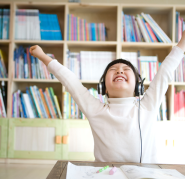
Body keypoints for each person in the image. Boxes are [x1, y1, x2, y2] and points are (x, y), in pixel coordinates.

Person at [29, 31, 185, 163]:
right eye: (113, 69)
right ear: (103, 87)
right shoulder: (95, 110)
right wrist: (43, 56)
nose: (119, 71)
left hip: (145, 178)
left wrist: (182, 43)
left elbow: (165, 71)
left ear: (138, 85)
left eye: (125, 69)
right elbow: (70, 81)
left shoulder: (148, 106)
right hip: (106, 177)